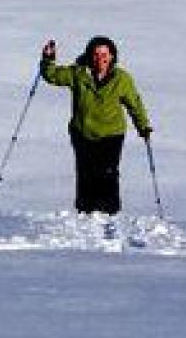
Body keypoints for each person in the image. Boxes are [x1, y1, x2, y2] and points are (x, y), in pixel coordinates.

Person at [40, 36, 153, 215]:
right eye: (96, 54)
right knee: (85, 171)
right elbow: (52, 75)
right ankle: (85, 210)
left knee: (108, 172)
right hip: (82, 132)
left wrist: (143, 126)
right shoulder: (78, 73)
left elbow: (134, 104)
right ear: (89, 56)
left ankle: (110, 211)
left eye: (104, 54)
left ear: (112, 56)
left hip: (112, 133)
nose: (100, 59)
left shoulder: (121, 79)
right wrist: (48, 58)